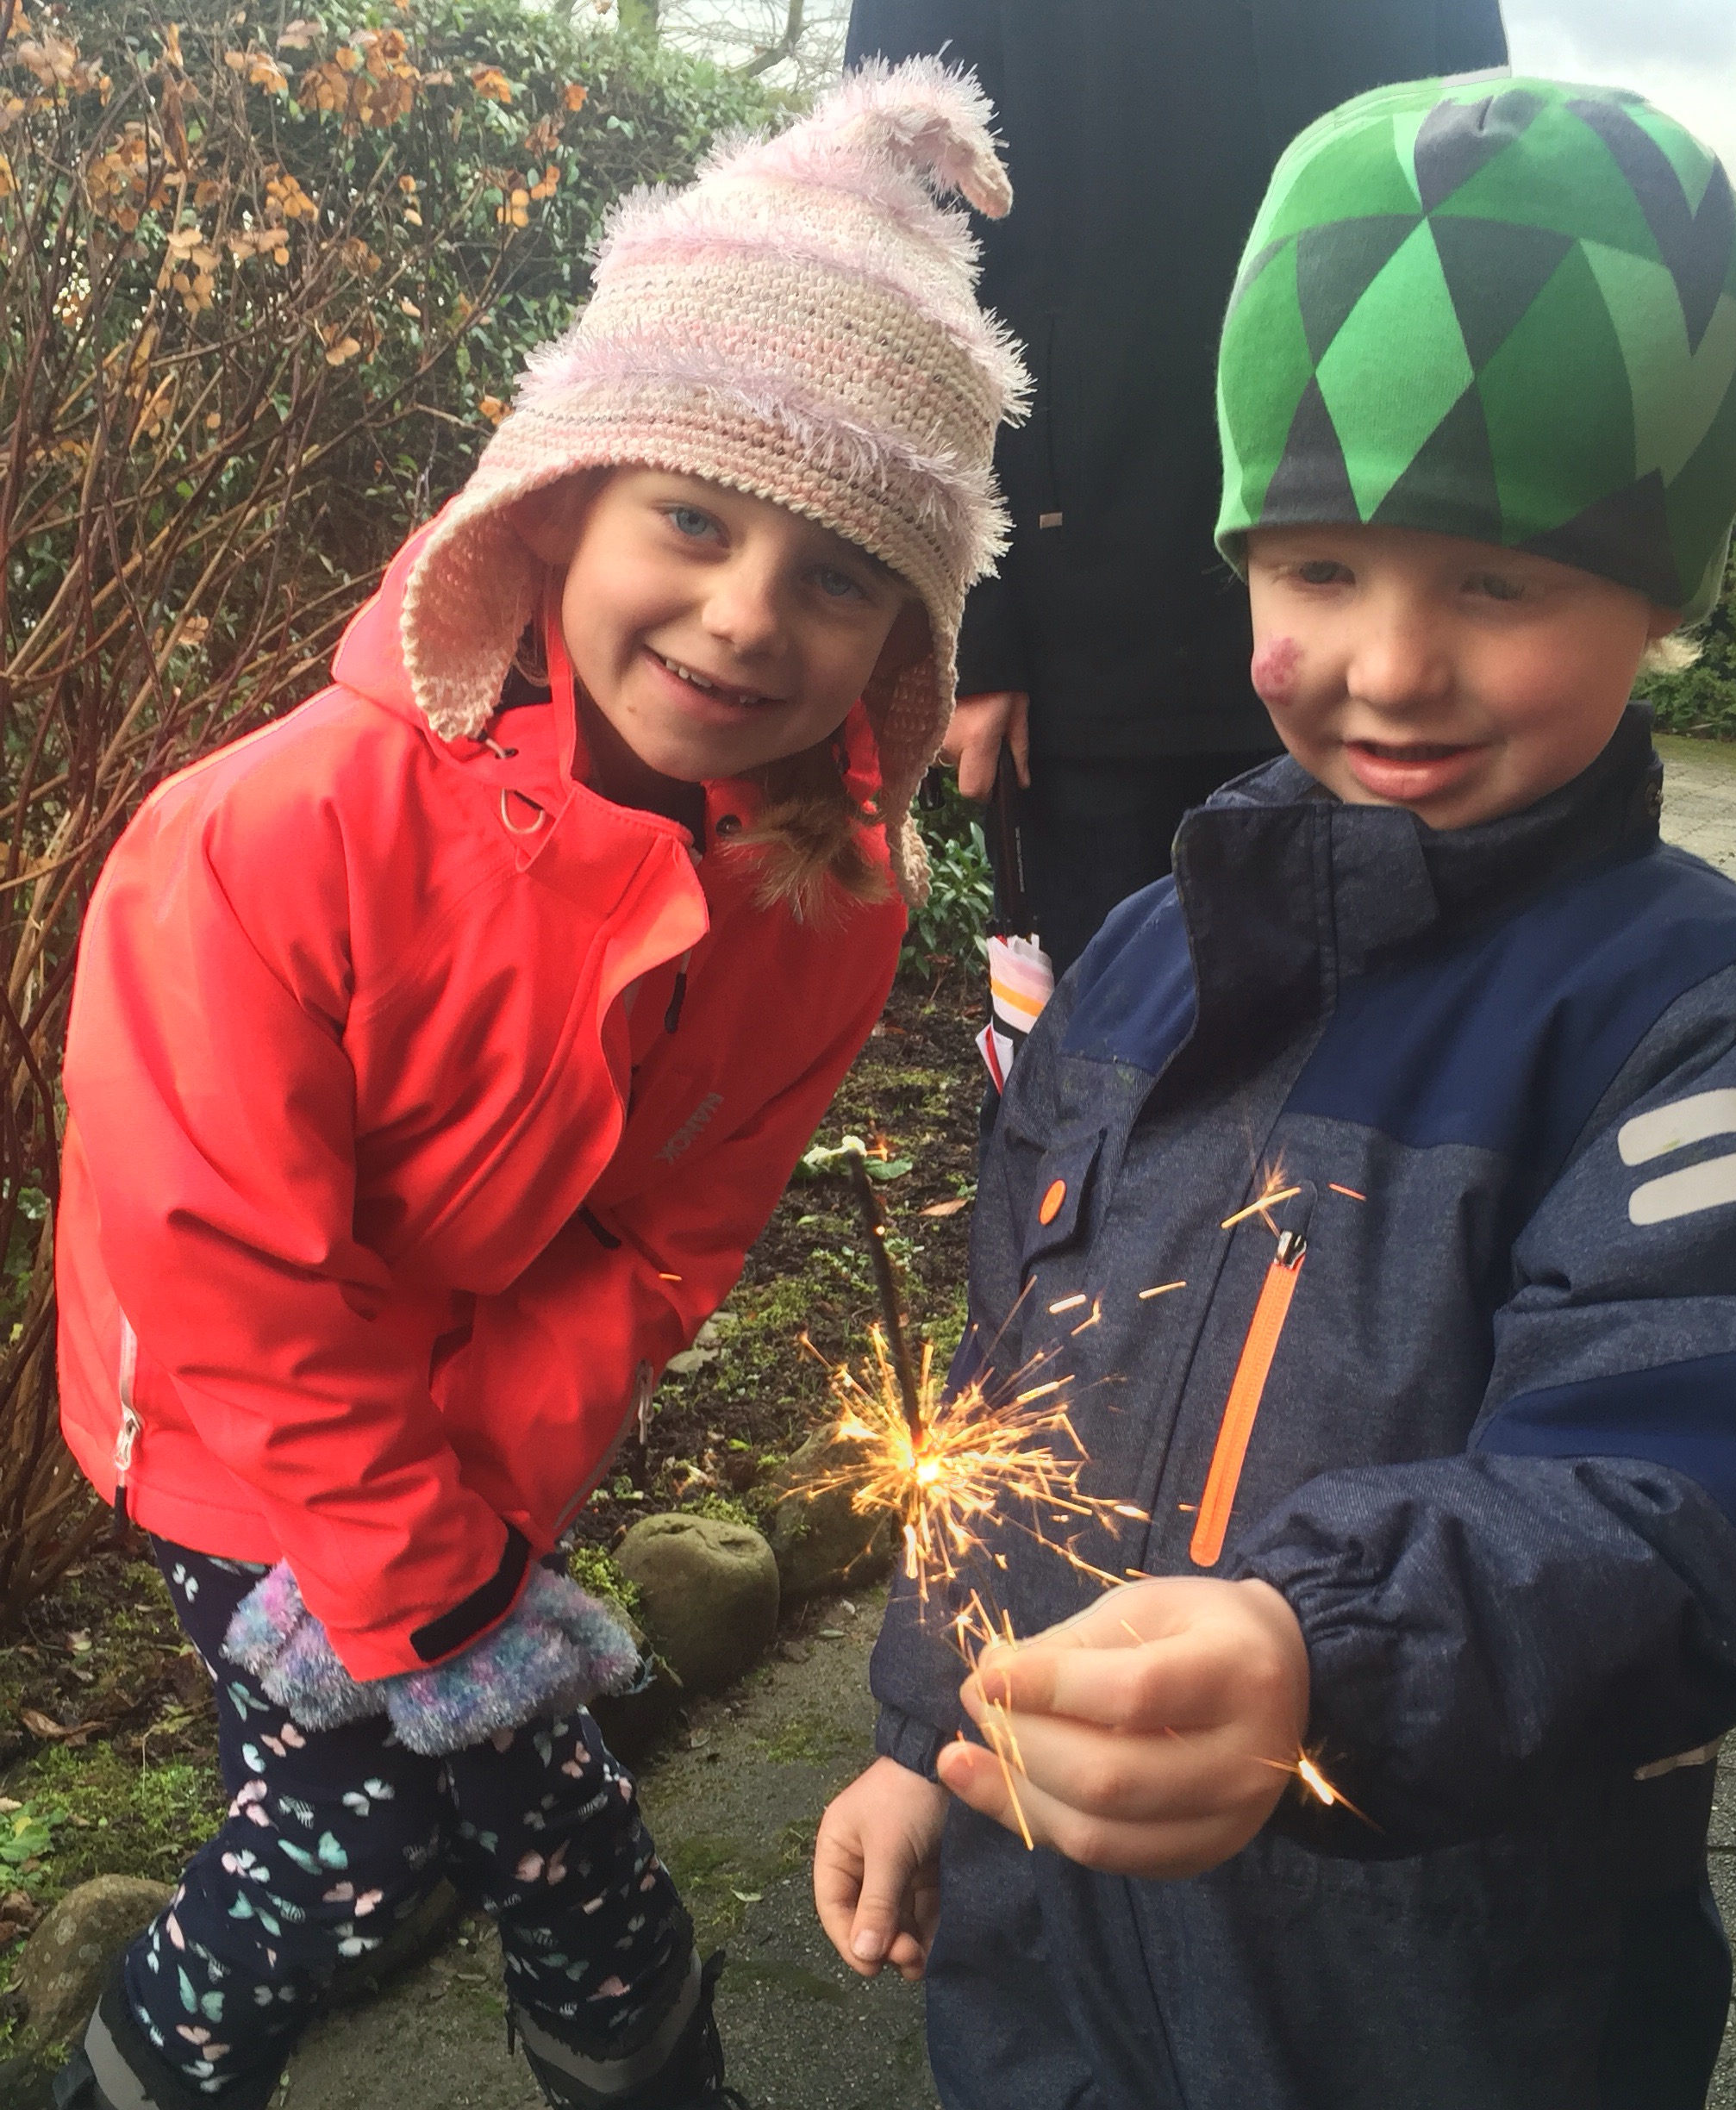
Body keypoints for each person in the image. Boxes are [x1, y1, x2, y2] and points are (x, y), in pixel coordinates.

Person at [814, 76, 1736, 2107]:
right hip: (1052, 1971)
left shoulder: (1715, 1032)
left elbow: (1699, 1498)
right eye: (1315, 567)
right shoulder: (1137, 960)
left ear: (1658, 597)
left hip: (1429, 2012)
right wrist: (916, 1732)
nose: (1390, 665)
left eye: (1494, 585)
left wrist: (1323, 1657)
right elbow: (1000, 1387)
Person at [50, 61, 1026, 2110]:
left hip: (465, 1455)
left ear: (902, 634)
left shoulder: (827, 908)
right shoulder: (270, 835)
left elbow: (662, 1243)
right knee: (365, 1852)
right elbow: (224, 1263)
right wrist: (427, 1583)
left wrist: (480, 1524)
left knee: (457, 1828)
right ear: (560, 498)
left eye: (840, 570)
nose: (747, 615)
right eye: (694, 516)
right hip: (236, 1430)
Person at [842, 0, 1510, 974]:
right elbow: (895, 240)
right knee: (1101, 1037)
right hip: (1086, 627)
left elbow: (1487, 203)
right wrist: (967, 622)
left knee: (1392, 1030)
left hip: (1389, 594)